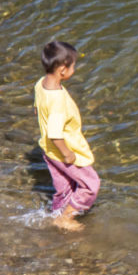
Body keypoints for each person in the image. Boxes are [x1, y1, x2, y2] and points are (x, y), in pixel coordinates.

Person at [34, 41, 99, 230]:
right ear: (63, 70)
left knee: (64, 188)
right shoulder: (58, 100)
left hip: (49, 150)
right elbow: (56, 134)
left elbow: (38, 109)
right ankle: (66, 218)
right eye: (73, 66)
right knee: (90, 184)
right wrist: (68, 154)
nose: (74, 69)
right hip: (64, 151)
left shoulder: (41, 84)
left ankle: (57, 213)